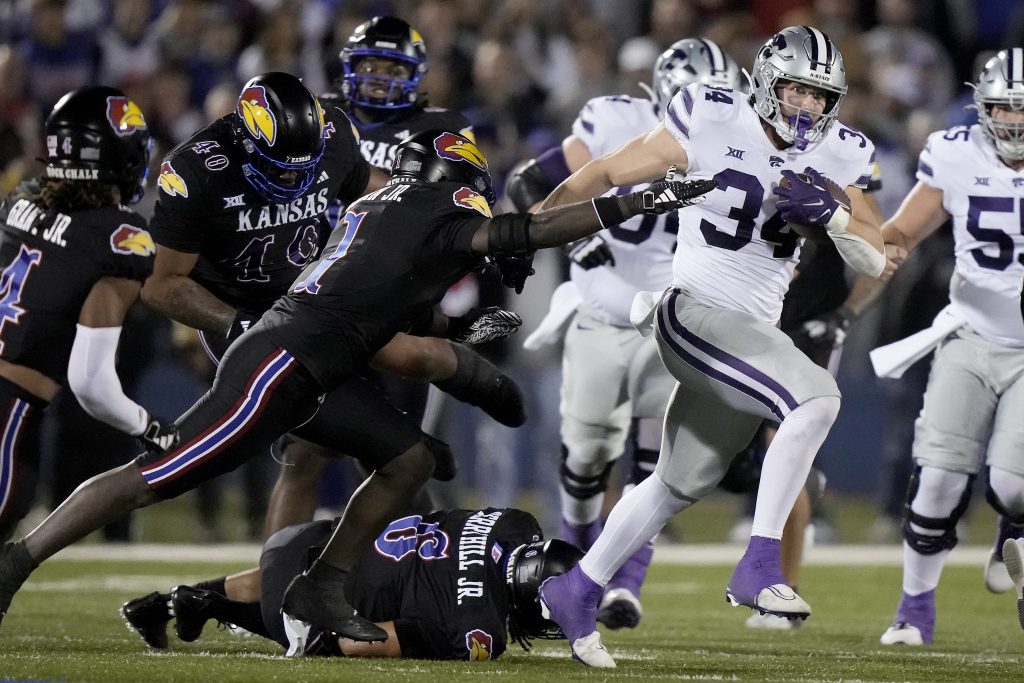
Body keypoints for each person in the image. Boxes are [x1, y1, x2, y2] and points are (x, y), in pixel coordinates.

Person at [0, 128, 714, 640]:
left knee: (409, 457)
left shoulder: (378, 210)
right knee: (161, 470)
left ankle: (322, 585)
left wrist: (458, 332)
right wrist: (635, 201)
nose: (474, 200)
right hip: (284, 363)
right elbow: (526, 231)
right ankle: (19, 556)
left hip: (310, 358)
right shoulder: (433, 209)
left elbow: (378, 302)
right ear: (455, 181)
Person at [534, 25, 886, 668]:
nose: (806, 105)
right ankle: (759, 562)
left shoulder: (841, 151)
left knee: (678, 481)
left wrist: (834, 216)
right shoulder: (712, 113)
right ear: (765, 80)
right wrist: (532, 229)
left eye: (819, 95)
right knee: (815, 398)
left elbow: (875, 250)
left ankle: (576, 588)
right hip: (693, 310)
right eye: (795, 89)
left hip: (749, 330)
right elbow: (610, 171)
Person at [139, 71, 523, 538]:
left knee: (419, 356)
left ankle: (484, 387)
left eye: (306, 163)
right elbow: (162, 286)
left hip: (320, 297)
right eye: (282, 164)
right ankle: (279, 580)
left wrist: (471, 230)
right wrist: (243, 327)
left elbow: (388, 196)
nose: (294, 176)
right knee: (313, 451)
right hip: (252, 322)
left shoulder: (333, 134)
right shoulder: (199, 171)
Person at [507, 37, 742, 631]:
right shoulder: (613, 120)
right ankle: (570, 562)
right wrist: (573, 238)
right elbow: (528, 183)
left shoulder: (742, 139)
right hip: (601, 314)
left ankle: (623, 584)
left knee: (653, 459)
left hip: (673, 318)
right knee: (586, 456)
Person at [265, 15, 513, 536]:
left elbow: (462, 208)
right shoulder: (319, 116)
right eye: (370, 64)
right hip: (321, 295)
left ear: (417, 73)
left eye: (391, 66)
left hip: (396, 304)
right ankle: (270, 590)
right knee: (303, 454)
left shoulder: (442, 128)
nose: (378, 76)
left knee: (394, 457)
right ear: (350, 67)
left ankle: (421, 568)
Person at [877, 48, 1024, 647]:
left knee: (1013, 484)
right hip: (968, 335)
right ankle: (914, 610)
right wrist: (867, 249)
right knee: (937, 480)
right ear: (981, 108)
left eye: (1023, 109)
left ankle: (1011, 527)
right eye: (1002, 108)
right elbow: (901, 233)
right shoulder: (956, 153)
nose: (1013, 121)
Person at [0, 85, 179, 540]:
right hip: (8, 408)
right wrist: (148, 426)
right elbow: (90, 382)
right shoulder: (119, 236)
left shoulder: (19, 200)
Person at [122, 507, 582, 660]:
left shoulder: (517, 525)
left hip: (314, 539)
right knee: (319, 634)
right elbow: (371, 642)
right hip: (312, 597)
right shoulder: (479, 630)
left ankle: (164, 603)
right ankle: (213, 607)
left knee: (333, 572)